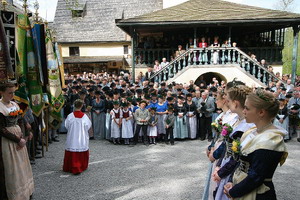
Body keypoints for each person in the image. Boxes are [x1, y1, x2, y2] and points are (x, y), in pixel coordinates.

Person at [224, 89, 288, 200]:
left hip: (258, 194)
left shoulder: (271, 140)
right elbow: (240, 162)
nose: (244, 111)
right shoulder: (252, 131)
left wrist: (233, 191)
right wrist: (231, 181)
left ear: (261, 112)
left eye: (247, 108)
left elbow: (256, 177)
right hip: (241, 187)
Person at [0, 82, 34, 200]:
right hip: (8, 142)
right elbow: (1, 129)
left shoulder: (14, 104)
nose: (12, 95)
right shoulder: (0, 107)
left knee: (21, 166)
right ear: (2, 92)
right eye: (9, 93)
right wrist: (17, 140)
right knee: (12, 168)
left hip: (19, 139)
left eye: (13, 92)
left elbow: (20, 120)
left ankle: (25, 192)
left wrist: (25, 134)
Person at [63, 99, 92, 175]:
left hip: (72, 137)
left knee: (72, 147)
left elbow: (66, 126)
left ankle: (70, 166)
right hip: (81, 137)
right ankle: (81, 165)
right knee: (81, 147)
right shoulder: (85, 117)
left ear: (74, 105)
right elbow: (88, 126)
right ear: (81, 106)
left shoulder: (70, 116)